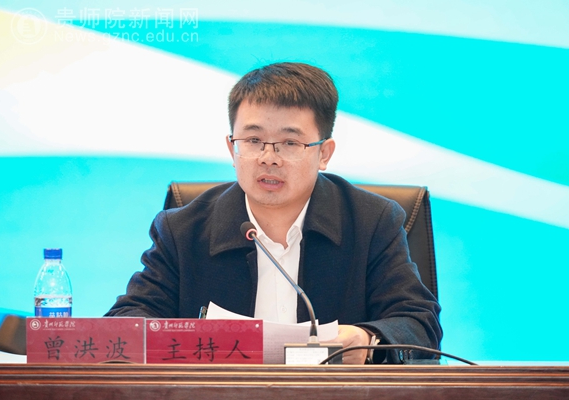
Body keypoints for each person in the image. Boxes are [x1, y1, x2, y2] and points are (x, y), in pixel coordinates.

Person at [106, 62, 442, 364]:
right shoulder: (183, 230)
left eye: (290, 143)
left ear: (324, 153)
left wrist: (367, 339)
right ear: (232, 148)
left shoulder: (372, 222)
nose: (269, 158)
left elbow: (419, 324)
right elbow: (126, 321)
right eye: (253, 140)